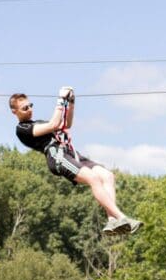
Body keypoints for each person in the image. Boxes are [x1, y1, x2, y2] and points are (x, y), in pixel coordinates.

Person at [9, 86, 142, 236]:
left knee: (107, 176)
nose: (30, 109)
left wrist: (70, 102)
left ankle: (112, 220)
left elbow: (65, 124)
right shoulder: (22, 129)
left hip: (71, 153)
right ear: (15, 111)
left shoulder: (37, 121)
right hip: (58, 157)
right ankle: (121, 217)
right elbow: (53, 124)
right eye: (25, 108)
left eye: (30, 105)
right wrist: (60, 100)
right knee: (93, 179)